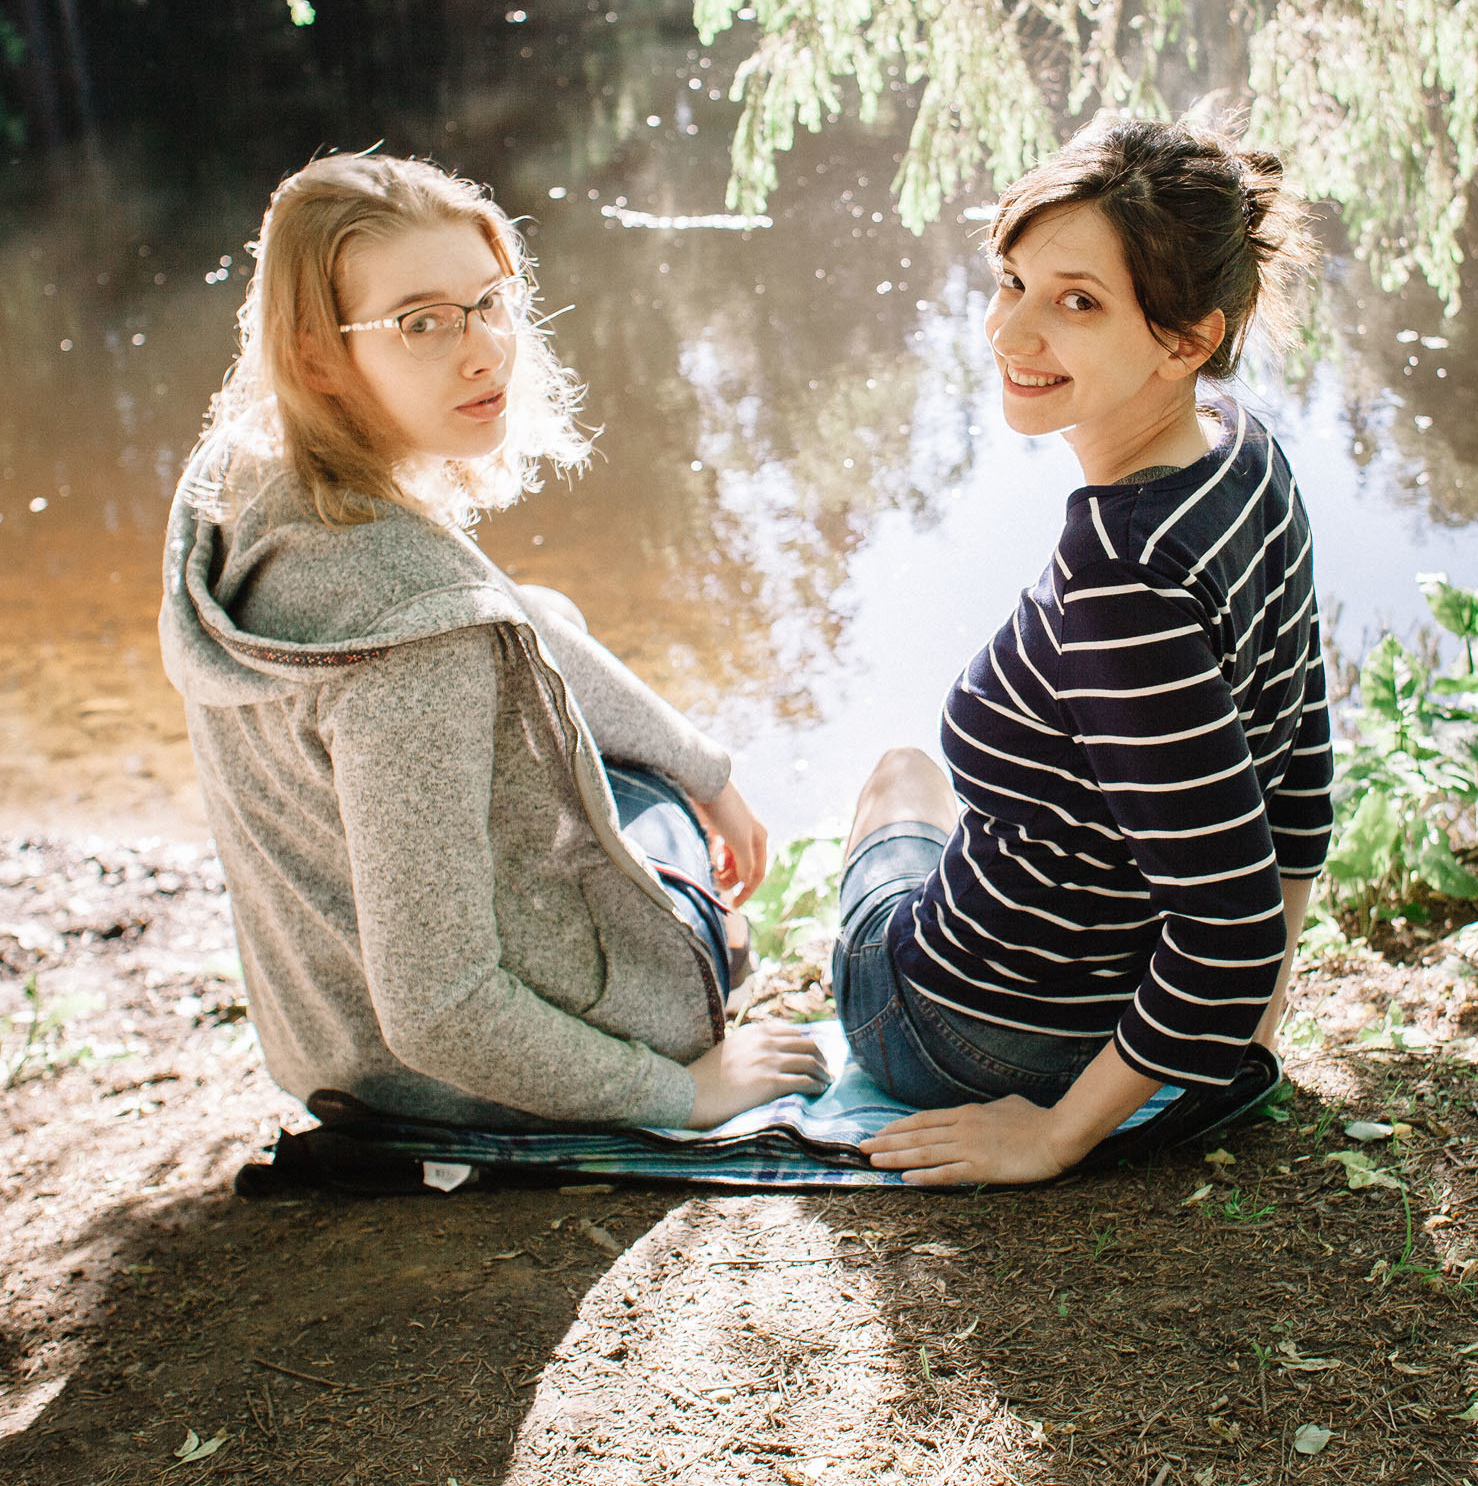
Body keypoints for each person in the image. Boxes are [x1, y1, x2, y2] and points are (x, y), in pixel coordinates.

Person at [159, 153, 826, 1132]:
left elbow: (502, 615)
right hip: (453, 1076)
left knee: (539, 614)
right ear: (315, 357)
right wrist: (682, 1090)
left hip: (324, 1039)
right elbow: (442, 1013)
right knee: (542, 690)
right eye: (420, 324)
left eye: (489, 302)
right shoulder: (417, 652)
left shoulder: (243, 475)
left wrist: (704, 767)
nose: (486, 352)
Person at [839, 117, 1333, 1186]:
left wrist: (1057, 1134)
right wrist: (1245, 1035)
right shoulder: (1246, 454)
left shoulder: (1123, 577)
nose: (1009, 334)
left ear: (1184, 340)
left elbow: (1230, 924)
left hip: (973, 1027)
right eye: (1012, 280)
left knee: (895, 777)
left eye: (1077, 303)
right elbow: (1300, 762)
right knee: (926, 786)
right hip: (1129, 1003)